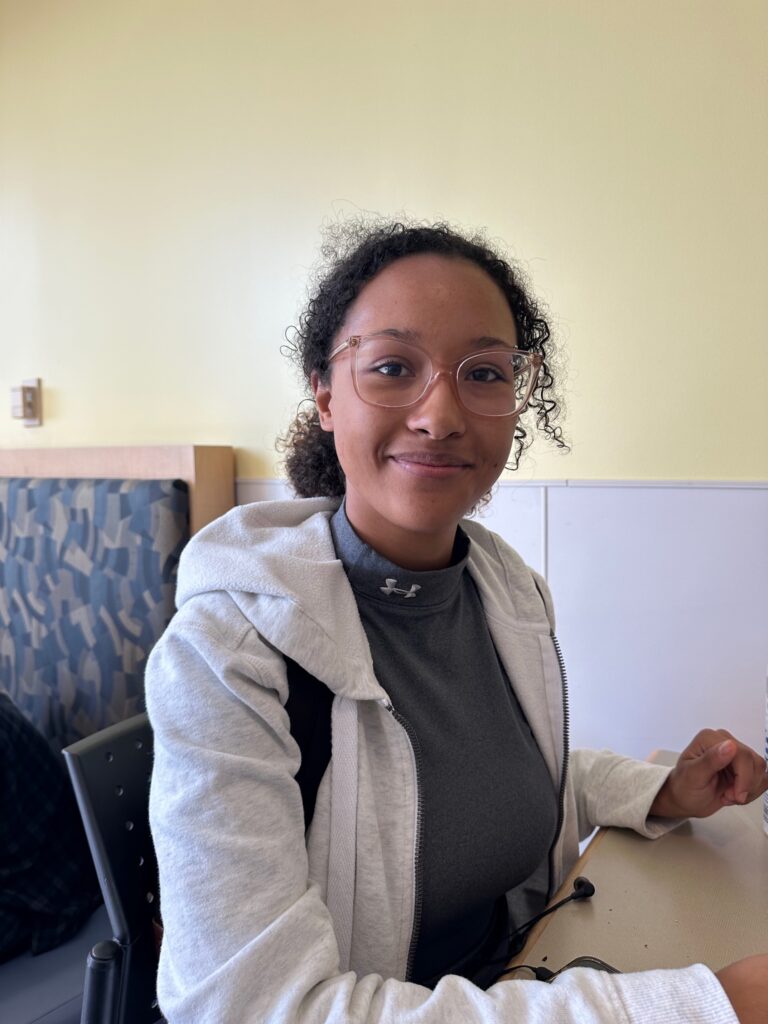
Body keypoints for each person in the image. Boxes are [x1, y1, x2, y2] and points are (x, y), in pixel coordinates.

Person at [146, 220, 768, 1023]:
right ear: (328, 398)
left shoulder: (506, 590)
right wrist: (707, 1003)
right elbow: (255, 1006)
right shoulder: (232, 653)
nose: (440, 414)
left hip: (515, 976)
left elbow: (497, 780)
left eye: (482, 372)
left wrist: (661, 792)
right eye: (393, 367)